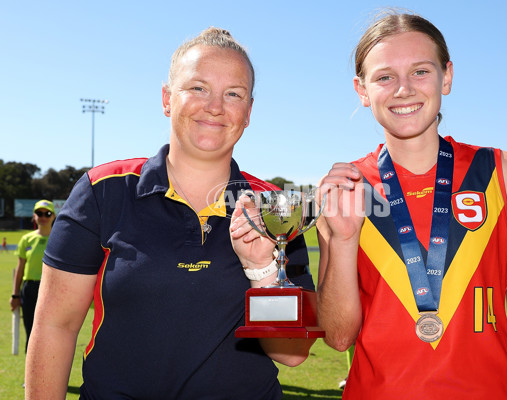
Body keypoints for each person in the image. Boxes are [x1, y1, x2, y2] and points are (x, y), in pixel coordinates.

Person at [25, 27, 315, 400]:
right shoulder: (104, 190)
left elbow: (291, 354)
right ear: (166, 98)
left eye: (234, 94)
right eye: (198, 88)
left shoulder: (273, 207)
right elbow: (55, 325)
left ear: (248, 112)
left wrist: (261, 274)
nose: (215, 106)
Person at [316, 10, 507, 399]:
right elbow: (338, 336)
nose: (403, 89)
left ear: (446, 76)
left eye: (420, 72)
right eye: (384, 77)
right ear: (362, 90)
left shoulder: (502, 172)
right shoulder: (347, 188)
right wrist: (343, 241)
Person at [10, 200, 56, 353]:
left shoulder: (59, 239)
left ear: (54, 216)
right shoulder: (26, 239)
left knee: (50, 332)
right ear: (34, 216)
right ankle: (30, 375)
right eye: (39, 213)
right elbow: (20, 269)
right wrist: (15, 294)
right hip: (29, 289)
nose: (43, 217)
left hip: (51, 290)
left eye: (47, 213)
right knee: (31, 331)